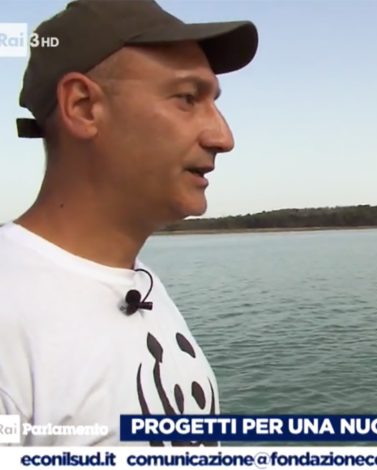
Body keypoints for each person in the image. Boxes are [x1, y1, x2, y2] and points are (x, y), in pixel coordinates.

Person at [0, 0, 258, 446]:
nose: (223, 137)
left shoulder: (144, 286)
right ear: (83, 106)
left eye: (213, 102)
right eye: (187, 98)